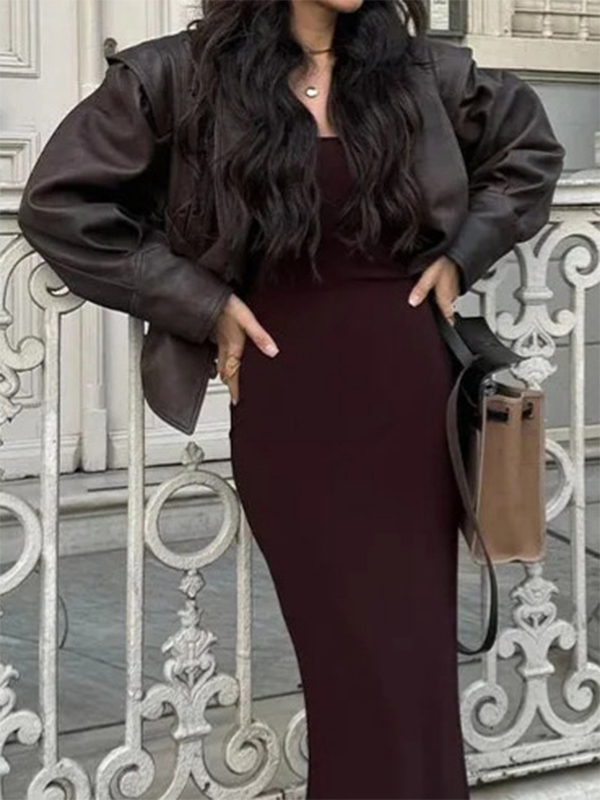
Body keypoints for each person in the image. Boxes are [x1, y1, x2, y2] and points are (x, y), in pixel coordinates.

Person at [17, 1, 565, 798]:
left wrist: (464, 253)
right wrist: (200, 303)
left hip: (410, 399)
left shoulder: (422, 71)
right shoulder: (178, 76)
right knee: (351, 661)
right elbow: (60, 205)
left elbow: (529, 150)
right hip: (290, 399)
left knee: (411, 660)